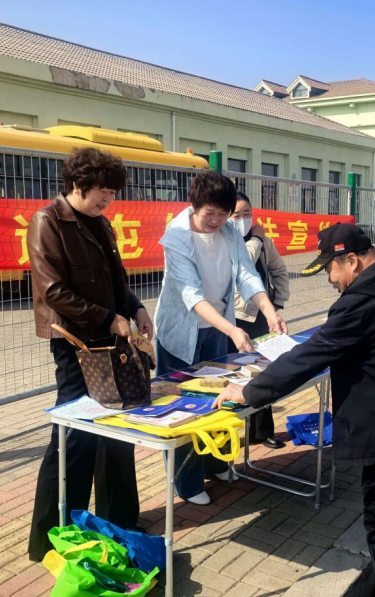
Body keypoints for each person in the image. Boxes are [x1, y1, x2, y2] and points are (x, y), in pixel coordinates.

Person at [213, 224, 375, 597]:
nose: (330, 280)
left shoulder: (362, 303)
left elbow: (309, 357)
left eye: (330, 269)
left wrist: (249, 391)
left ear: (352, 260)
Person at [27, 147, 153, 561]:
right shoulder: (48, 221)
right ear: (78, 184)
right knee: (73, 437)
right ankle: (52, 536)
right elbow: (53, 291)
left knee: (119, 429)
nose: (108, 200)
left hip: (110, 341)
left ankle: (119, 521)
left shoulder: (102, 223)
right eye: (103, 191)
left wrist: (135, 308)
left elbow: (117, 281)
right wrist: (107, 318)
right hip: (75, 345)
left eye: (113, 193)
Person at [154, 171, 287, 506]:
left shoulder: (228, 230)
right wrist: (232, 329)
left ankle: (215, 464)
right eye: (209, 214)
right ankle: (185, 482)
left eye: (223, 214)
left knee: (218, 398)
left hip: (217, 327)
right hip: (182, 333)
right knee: (183, 406)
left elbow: (245, 274)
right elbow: (192, 296)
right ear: (194, 206)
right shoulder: (177, 237)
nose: (216, 221)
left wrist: (269, 310)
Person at [226, 191, 290, 450]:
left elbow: (279, 270)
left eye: (247, 214)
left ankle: (261, 432)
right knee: (232, 374)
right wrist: (256, 239)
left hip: (260, 317)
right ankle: (229, 433)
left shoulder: (264, 241)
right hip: (233, 318)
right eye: (236, 215)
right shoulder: (227, 242)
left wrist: (277, 304)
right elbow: (242, 265)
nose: (243, 220)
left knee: (262, 371)